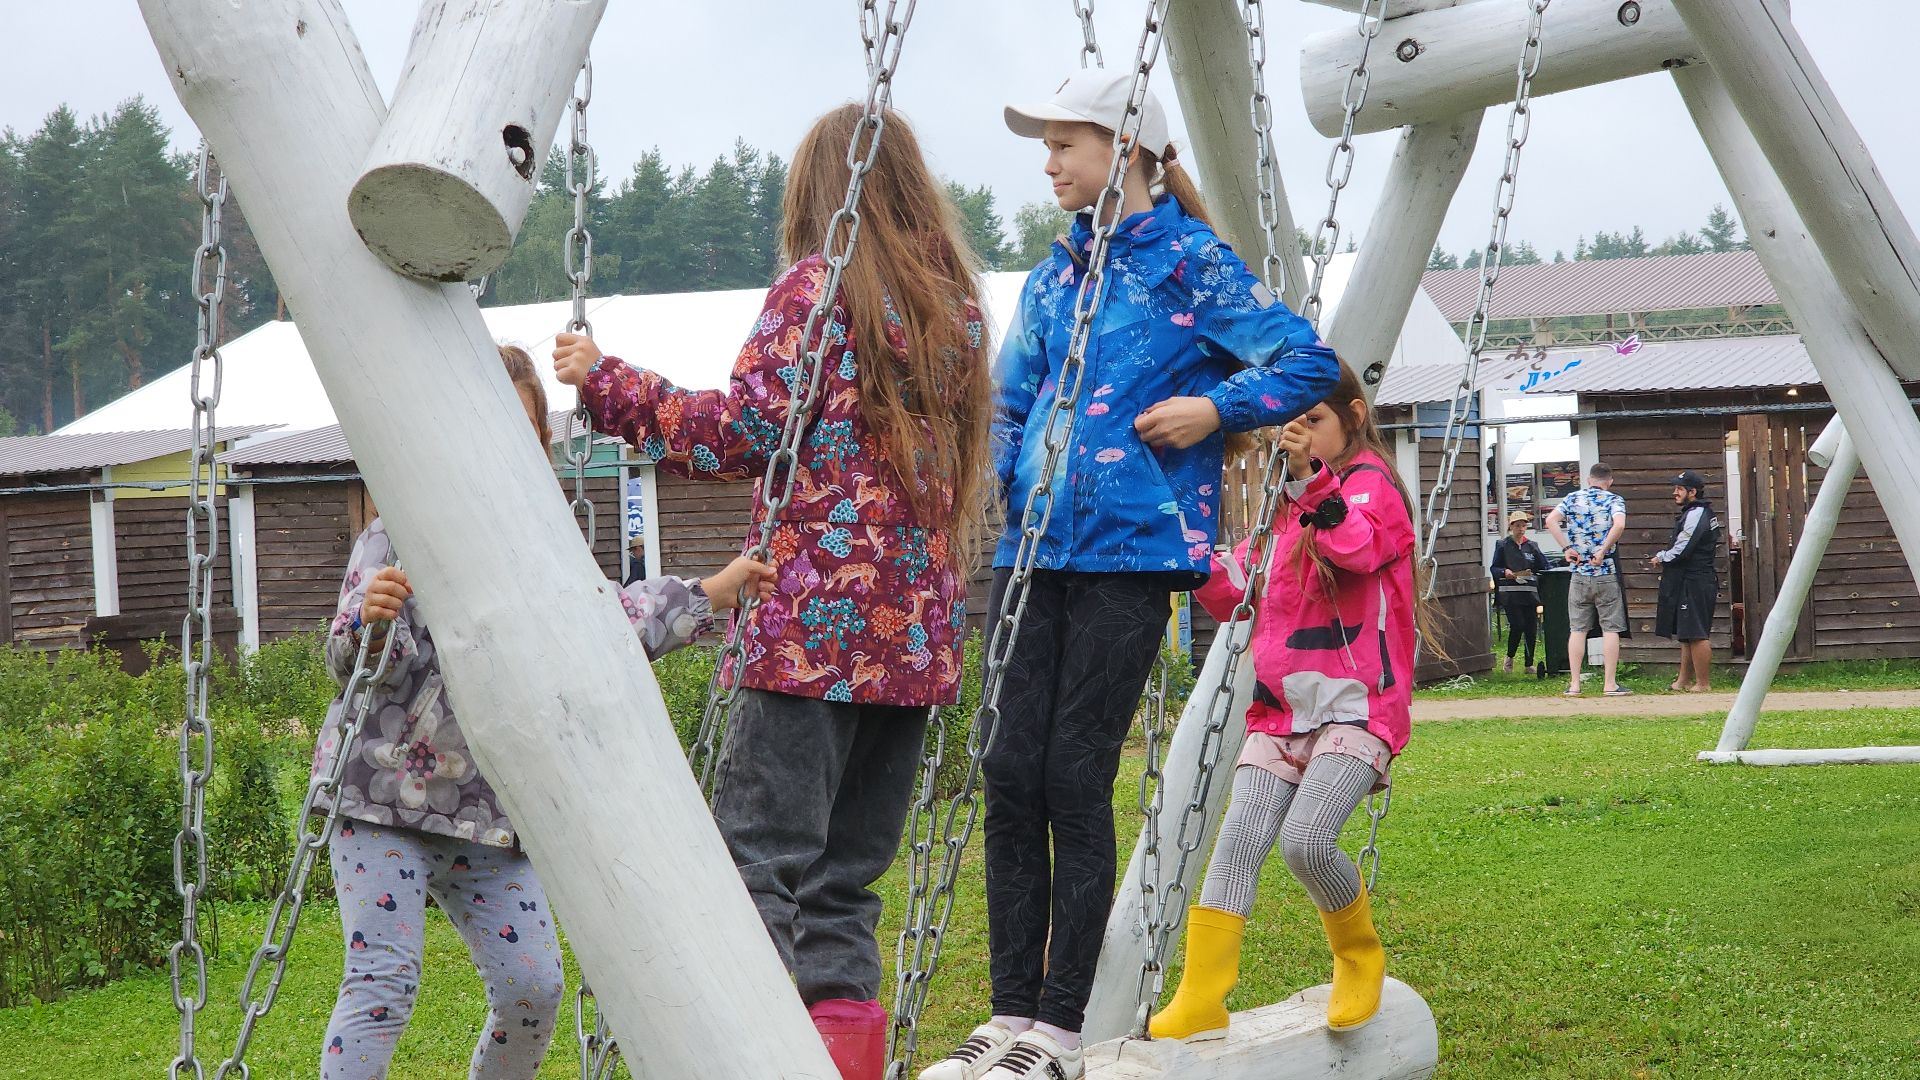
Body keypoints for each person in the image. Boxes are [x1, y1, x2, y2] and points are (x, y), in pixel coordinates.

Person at [553, 104, 991, 1079]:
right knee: (844, 886)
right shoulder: (953, 306)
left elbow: (738, 431)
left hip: (806, 637)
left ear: (817, 192)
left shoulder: (818, 289)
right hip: (912, 645)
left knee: (761, 869)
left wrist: (606, 383)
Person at [921, 69, 1339, 1080]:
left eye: (1068, 142)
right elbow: (1011, 396)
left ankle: (1062, 1027)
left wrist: (1214, 411)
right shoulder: (1054, 276)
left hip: (1134, 554)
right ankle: (1009, 1011)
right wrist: (1002, 475)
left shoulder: (1193, 265)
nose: (1051, 163)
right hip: (1032, 557)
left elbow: (1307, 362)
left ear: (1132, 149)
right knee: (1009, 771)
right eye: (1046, 146)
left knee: (1072, 771)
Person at [315, 345, 774, 1080]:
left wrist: (707, 592)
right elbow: (352, 662)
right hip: (379, 799)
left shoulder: (544, 547)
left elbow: (597, 633)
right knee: (383, 985)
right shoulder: (397, 528)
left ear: (539, 447)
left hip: (487, 810)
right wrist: (370, 622)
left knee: (533, 988)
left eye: (522, 437)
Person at [1149, 363, 1436, 1042]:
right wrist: (1188, 558)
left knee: (1307, 842)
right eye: (1291, 422)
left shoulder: (1372, 492)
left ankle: (1357, 954)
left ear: (1354, 418)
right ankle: (1203, 993)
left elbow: (1357, 551)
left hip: (1357, 708)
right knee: (1237, 846)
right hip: (1282, 710)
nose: (1297, 433)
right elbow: (1245, 592)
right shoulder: (1283, 506)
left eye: (1313, 421)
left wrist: (1310, 482)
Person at [1545, 462, 1630, 697]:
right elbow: (1620, 524)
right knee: (1610, 628)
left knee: (1577, 628)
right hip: (1605, 570)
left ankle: (1574, 684)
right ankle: (1609, 683)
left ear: (1588, 479)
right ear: (1609, 481)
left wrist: (1567, 548)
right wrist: (1603, 549)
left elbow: (1551, 520)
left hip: (1579, 571)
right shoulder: (1614, 500)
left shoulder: (1572, 498)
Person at [1649, 469, 1721, 691]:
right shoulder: (1695, 512)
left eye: (1679, 489)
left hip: (1696, 580)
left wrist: (1662, 557)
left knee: (1697, 633)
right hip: (1690, 579)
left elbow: (1683, 547)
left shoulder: (1697, 513)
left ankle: (1703, 684)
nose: (1674, 492)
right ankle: (1683, 681)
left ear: (1692, 492)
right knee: (1687, 634)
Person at [1489, 510, 1549, 673]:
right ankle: (1509, 658)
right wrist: (1504, 572)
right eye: (1517, 525)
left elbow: (1544, 566)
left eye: (1524, 525)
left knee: (1531, 628)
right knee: (1517, 625)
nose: (1521, 529)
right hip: (1510, 594)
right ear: (1511, 527)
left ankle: (1528, 664)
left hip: (1528, 593)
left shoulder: (1532, 546)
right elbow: (1494, 568)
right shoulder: (1502, 545)